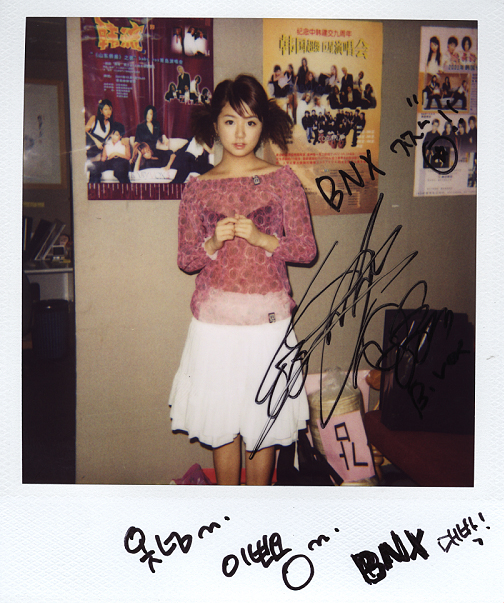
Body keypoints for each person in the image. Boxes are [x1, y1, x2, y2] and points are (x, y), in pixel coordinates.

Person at [169, 74, 317, 486]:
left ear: (262, 126)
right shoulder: (197, 189)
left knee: (263, 423)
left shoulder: (283, 180)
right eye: (230, 121)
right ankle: (228, 513)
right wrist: (213, 242)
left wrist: (263, 238)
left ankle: (257, 514)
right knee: (222, 424)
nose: (240, 133)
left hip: (267, 324)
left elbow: (306, 250)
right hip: (215, 325)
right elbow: (186, 260)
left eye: (251, 122)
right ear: (214, 124)